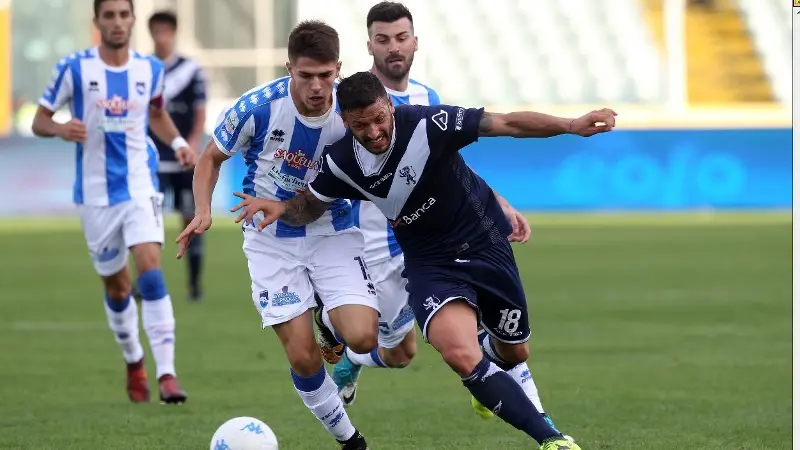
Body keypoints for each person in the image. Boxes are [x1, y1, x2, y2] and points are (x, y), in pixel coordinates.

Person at [230, 71, 617, 450]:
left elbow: (508, 123)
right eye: (360, 125)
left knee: (515, 352)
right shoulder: (341, 161)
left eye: (379, 119)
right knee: (460, 353)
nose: (373, 132)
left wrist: (571, 124)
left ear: (390, 108)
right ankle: (552, 440)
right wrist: (281, 207)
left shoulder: (431, 124)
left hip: (485, 245)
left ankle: (490, 382)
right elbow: (310, 205)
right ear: (345, 122)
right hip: (430, 264)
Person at [328, 7, 564, 441]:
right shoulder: (354, 105)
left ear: (415, 41)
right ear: (369, 47)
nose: (393, 46)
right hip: (381, 243)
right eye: (383, 39)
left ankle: (542, 424)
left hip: (445, 240)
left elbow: (447, 163)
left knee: (490, 330)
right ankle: (352, 362)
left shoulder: (425, 96)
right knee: (400, 353)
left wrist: (499, 200)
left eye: (401, 37)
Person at [175, 21, 375, 450]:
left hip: (333, 230)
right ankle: (351, 441)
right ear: (289, 69)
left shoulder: (350, 112)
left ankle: (327, 317)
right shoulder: (258, 107)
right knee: (303, 356)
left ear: (338, 68)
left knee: (363, 336)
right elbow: (211, 157)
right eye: (306, 76)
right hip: (269, 238)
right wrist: (204, 211)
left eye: (326, 75)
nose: (317, 87)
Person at [31, 0, 193, 404]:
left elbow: (156, 113)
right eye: (110, 16)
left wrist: (176, 142)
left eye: (124, 15)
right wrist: (60, 128)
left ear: (133, 20)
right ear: (97, 21)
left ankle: (168, 374)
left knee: (151, 273)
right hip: (96, 196)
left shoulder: (149, 70)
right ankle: (134, 359)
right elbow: (39, 119)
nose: (118, 23)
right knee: (118, 287)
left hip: (141, 185)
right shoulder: (75, 68)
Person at [148, 10, 207, 301]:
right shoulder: (144, 69)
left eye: (165, 31)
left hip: (184, 159)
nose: (161, 36)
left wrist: (192, 144)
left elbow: (199, 112)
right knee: (148, 222)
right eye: (156, 31)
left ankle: (194, 284)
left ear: (173, 33)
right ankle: (147, 283)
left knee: (190, 220)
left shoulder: (191, 70)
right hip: (154, 159)